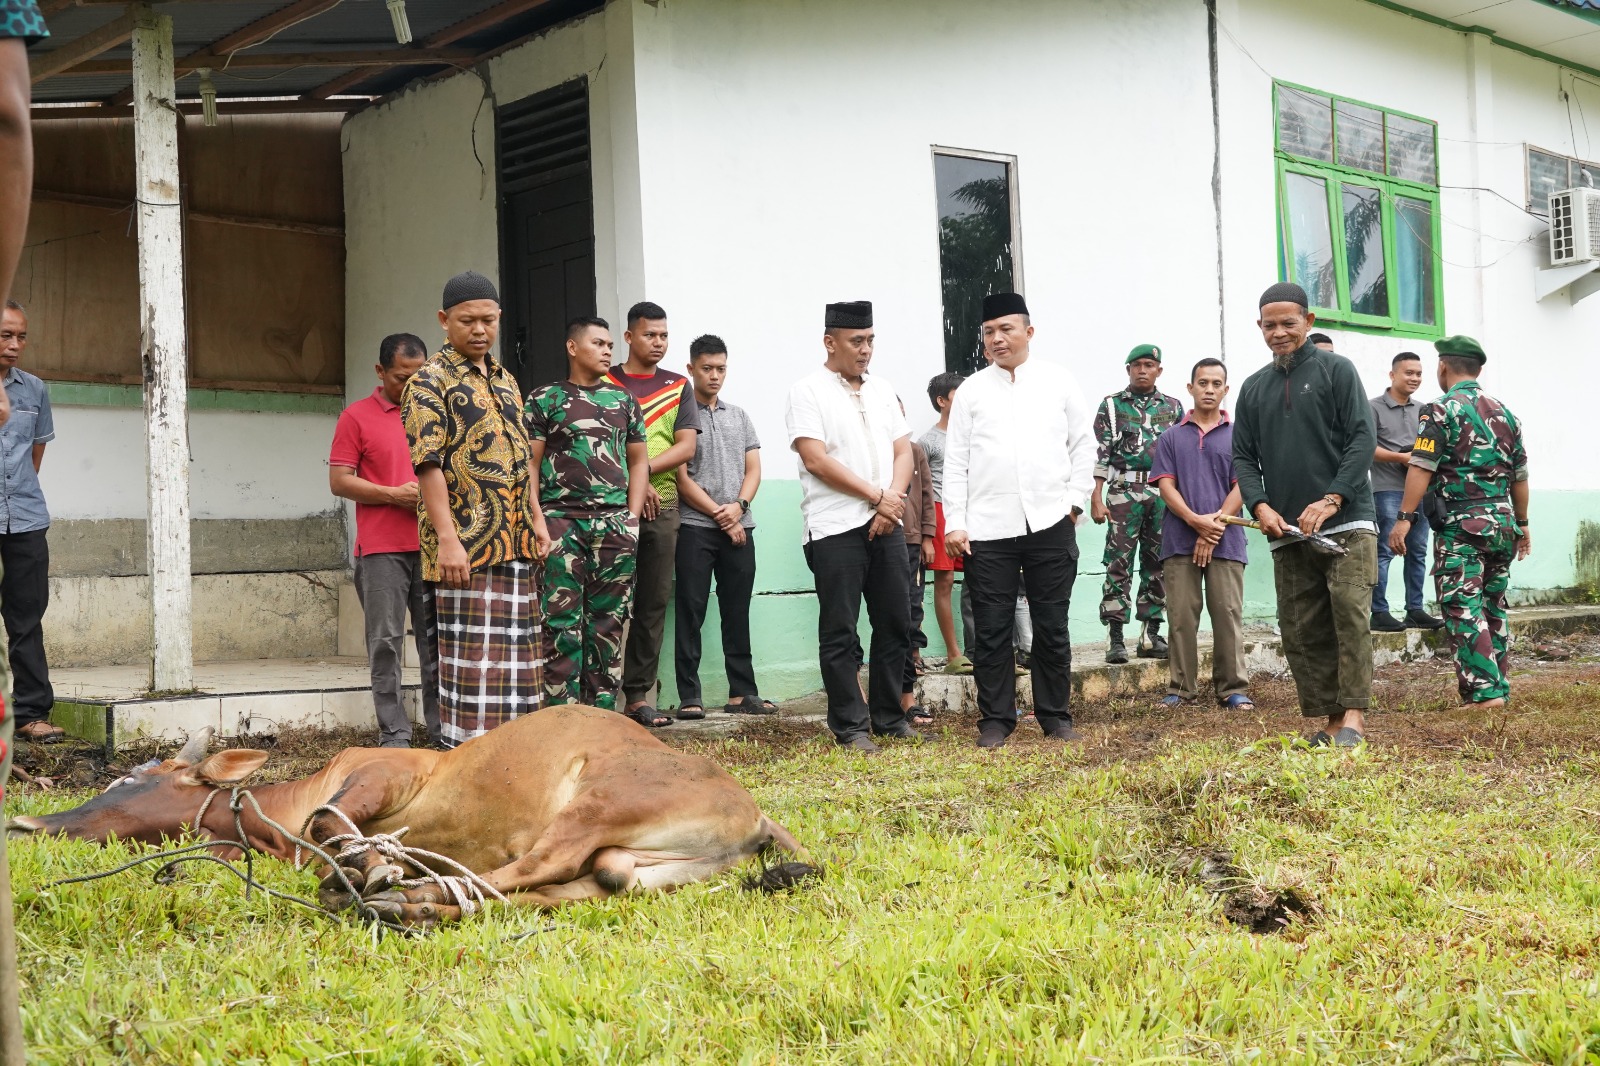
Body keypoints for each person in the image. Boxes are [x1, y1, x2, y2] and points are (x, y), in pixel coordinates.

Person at [943, 292, 1095, 749]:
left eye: (1006, 329)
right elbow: (955, 463)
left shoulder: (1058, 381)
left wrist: (1073, 503)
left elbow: (1083, 446)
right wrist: (956, 521)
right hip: (987, 529)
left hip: (1051, 521)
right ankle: (996, 720)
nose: (996, 339)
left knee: (1052, 625)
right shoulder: (971, 390)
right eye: (989, 332)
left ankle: (1055, 716)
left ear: (1029, 332)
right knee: (991, 627)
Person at [402, 271, 545, 748]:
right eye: (467, 321)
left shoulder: (507, 381)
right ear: (445, 321)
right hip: (466, 547)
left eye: (488, 320)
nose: (479, 330)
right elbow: (428, 465)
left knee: (519, 662)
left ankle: (517, 754)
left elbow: (521, 459)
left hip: (516, 541)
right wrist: (447, 539)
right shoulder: (428, 381)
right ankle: (468, 759)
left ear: (499, 318)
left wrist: (537, 519)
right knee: (474, 666)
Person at [1233, 282, 1378, 747]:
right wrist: (1259, 505)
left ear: (1308, 322)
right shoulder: (1254, 388)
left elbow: (1362, 438)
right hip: (1288, 531)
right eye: (1269, 325)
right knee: (1302, 626)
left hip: (1348, 522)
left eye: (1288, 323)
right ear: (1260, 327)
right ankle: (1331, 720)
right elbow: (1243, 458)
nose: (1279, 333)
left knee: (1349, 616)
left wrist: (1334, 497)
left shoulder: (1337, 370)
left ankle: (1354, 717)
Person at [785, 300, 916, 752]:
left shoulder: (882, 389)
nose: (866, 350)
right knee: (841, 630)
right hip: (835, 527)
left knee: (896, 621)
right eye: (857, 341)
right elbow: (816, 459)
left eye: (871, 340)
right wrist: (876, 497)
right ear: (830, 342)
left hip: (887, 521)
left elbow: (905, 452)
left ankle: (888, 717)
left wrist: (889, 504)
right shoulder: (807, 391)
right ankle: (850, 726)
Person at [1388, 336, 1529, 710]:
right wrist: (1523, 523)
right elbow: (1520, 476)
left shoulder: (1439, 410)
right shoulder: (1506, 413)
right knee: (1493, 606)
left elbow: (1420, 465)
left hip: (1462, 526)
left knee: (1461, 605)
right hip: (1502, 523)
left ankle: (1484, 694)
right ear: (1478, 370)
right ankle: (1497, 684)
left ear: (1443, 367)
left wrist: (1404, 518)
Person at [526, 317, 651, 720]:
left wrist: (631, 519)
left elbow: (638, 461)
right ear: (572, 347)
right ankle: (561, 718)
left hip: (614, 525)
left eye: (610, 345)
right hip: (561, 521)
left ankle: (602, 717)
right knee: (560, 623)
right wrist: (537, 518)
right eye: (598, 343)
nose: (607, 351)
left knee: (609, 623)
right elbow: (530, 463)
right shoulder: (545, 399)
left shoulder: (624, 401)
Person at [329, 333, 441, 748]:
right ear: (380, 371)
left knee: (437, 642)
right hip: (381, 550)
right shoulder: (356, 417)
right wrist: (394, 495)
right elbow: (339, 482)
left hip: (433, 546)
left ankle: (443, 728)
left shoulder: (437, 415)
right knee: (386, 644)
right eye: (400, 377)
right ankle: (394, 731)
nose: (411, 386)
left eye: (420, 376)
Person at [606, 302, 701, 726]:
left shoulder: (679, 385)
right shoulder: (605, 382)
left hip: (662, 506)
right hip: (609, 505)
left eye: (663, 335)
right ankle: (595, 694)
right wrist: (633, 484)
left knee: (652, 602)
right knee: (606, 600)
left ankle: (638, 695)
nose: (658, 343)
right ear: (629, 337)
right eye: (650, 335)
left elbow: (685, 447)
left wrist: (642, 478)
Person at [673, 334, 773, 719]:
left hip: (740, 527)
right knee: (691, 610)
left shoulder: (740, 415)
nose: (715, 376)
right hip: (696, 527)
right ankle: (690, 695)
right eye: (707, 369)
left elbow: (754, 469)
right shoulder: (681, 417)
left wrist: (740, 508)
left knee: (737, 611)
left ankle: (741, 694)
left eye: (721, 369)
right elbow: (681, 478)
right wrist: (721, 514)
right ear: (691, 369)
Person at [1149, 358, 1253, 712]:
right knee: (1181, 616)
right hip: (1179, 540)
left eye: (1216, 383)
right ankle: (1181, 688)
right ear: (1190, 388)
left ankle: (1233, 689)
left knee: (1227, 614)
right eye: (1203, 383)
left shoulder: (1241, 435)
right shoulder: (1171, 437)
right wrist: (1196, 522)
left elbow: (1243, 486)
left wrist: (1214, 528)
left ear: (1226, 389)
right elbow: (1166, 486)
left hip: (1228, 540)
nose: (1209, 389)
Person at [1090, 344, 1183, 664]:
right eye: (1136, 365)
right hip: (1123, 491)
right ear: (1127, 369)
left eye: (1149, 365)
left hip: (1162, 493)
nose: (1142, 370)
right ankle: (1115, 638)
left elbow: (1181, 454)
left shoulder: (1173, 407)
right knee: (1119, 563)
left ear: (1159, 370)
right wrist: (1096, 496)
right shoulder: (1112, 406)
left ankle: (1150, 634)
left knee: (1159, 563)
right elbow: (1101, 454)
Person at [0, 301, 58, 741]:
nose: (15, 345)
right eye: (6, 335)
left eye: (21, 336)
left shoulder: (34, 389)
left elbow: (33, 455)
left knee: (26, 620)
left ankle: (32, 714)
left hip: (24, 519)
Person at [1369, 352, 1444, 633]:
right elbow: (1365, 449)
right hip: (1387, 490)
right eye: (1408, 373)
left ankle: (1415, 609)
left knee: (1418, 551)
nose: (1414, 378)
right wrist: (1402, 458)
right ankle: (1379, 611)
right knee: (1385, 551)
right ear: (1392, 375)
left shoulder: (1425, 409)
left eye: (1419, 374)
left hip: (1421, 491)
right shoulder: (1372, 407)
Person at [918, 371, 971, 675]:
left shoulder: (974, 435)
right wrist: (927, 530)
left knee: (980, 581)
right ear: (942, 401)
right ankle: (954, 652)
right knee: (945, 581)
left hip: (971, 512)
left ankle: (986, 649)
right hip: (939, 511)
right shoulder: (928, 442)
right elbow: (921, 487)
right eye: (958, 394)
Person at [898, 398, 937, 726]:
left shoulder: (915, 450)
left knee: (913, 607)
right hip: (881, 540)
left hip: (912, 541)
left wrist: (927, 536)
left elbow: (926, 494)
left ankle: (914, 657)